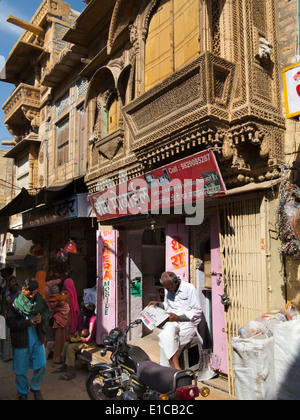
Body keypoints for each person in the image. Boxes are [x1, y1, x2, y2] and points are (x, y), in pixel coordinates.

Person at [6, 278, 50, 400]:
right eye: (29, 292)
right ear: (22, 288)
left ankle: (35, 387)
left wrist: (42, 319)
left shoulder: (39, 300)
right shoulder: (14, 304)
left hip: (37, 337)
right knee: (20, 369)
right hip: (21, 340)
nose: (32, 295)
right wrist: (27, 322)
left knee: (42, 365)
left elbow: (46, 313)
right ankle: (22, 392)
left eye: (34, 292)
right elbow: (10, 322)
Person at [148, 271, 202, 370]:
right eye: (166, 288)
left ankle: (167, 369)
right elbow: (167, 305)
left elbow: (197, 312)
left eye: (169, 287)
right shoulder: (167, 289)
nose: (167, 290)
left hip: (188, 323)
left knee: (166, 341)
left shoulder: (189, 289)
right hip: (173, 321)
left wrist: (178, 318)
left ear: (176, 282)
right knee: (168, 331)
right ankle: (176, 368)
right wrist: (158, 304)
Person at [54, 302, 96, 380]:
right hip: (83, 339)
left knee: (71, 347)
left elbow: (89, 338)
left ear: (88, 311)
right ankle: (65, 365)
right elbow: (83, 327)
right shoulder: (88, 318)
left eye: (84, 311)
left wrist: (77, 340)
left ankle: (71, 372)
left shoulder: (93, 320)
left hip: (90, 342)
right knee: (67, 343)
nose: (82, 312)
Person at [48, 285, 70, 364]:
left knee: (59, 340)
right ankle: (61, 358)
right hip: (61, 322)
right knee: (61, 340)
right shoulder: (60, 299)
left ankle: (59, 358)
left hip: (59, 322)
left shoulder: (58, 300)